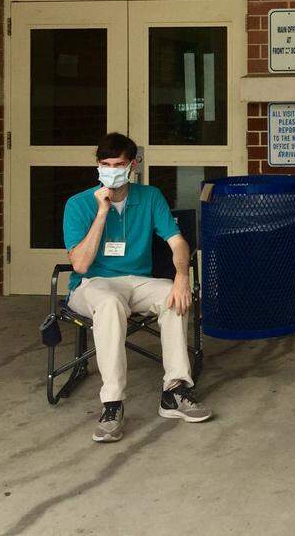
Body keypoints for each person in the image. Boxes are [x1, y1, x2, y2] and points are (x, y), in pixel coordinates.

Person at [64, 132, 213, 442]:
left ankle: (175, 390)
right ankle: (113, 403)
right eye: (105, 164)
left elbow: (178, 242)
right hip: (92, 285)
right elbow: (80, 264)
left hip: (136, 281)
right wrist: (102, 212)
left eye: (119, 164)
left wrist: (182, 277)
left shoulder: (150, 197)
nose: (112, 170)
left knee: (172, 296)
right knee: (109, 304)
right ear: (98, 167)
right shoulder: (78, 204)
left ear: (132, 165)